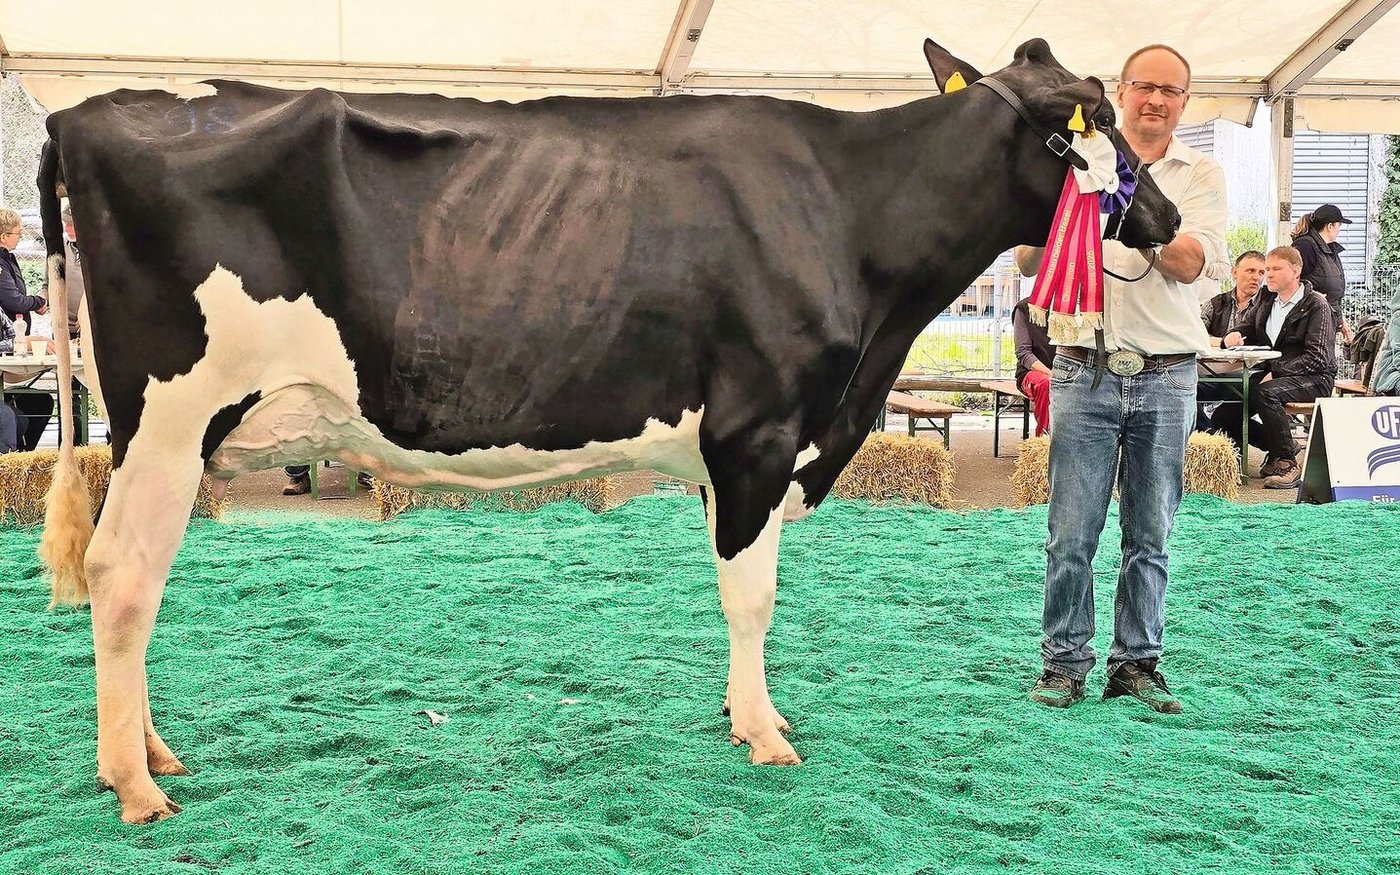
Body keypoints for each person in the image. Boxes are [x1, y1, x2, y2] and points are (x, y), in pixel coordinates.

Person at [1018, 44, 1228, 714]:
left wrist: (1127, 205)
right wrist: (1074, 194)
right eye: (1145, 86)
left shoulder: (1200, 173)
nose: (1156, 100)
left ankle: (1137, 662)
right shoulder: (1077, 162)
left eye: (1171, 91)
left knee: (1151, 533)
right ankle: (1064, 664)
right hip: (1083, 365)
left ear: (1184, 103)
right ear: (1121, 90)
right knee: (1070, 532)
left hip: (1167, 373)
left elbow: (1191, 263)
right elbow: (1026, 260)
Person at [1212, 246, 1335, 488]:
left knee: (1266, 392)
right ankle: (1281, 447)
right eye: (1267, 269)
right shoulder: (1267, 299)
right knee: (1224, 413)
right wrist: (1232, 335)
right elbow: (1247, 327)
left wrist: (1276, 370)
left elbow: (1317, 358)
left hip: (1315, 378)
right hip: (1275, 375)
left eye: (1275, 268)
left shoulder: (1316, 305)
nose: (1268, 274)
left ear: (1296, 271)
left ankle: (1288, 463)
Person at [0, 209, 55, 450]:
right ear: (3, 236)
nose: (20, 237)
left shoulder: (7, 259)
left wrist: (26, 341)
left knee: (41, 402)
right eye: (17, 233)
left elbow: (12, 333)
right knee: (9, 417)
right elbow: (14, 300)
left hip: (12, 347)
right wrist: (39, 301)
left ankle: (24, 458)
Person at [1195, 251, 1265, 430]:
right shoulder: (1216, 303)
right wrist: (1223, 342)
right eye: (1250, 270)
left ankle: (1215, 438)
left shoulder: (1267, 305)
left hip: (1252, 374)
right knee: (1186, 389)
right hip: (1214, 373)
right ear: (1234, 272)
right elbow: (1196, 333)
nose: (1256, 277)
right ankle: (1208, 436)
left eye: (1261, 272)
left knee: (1226, 416)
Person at [1291, 205, 1353, 344]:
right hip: (1308, 325)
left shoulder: (1329, 250)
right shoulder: (1305, 246)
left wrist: (1341, 320)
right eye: (1339, 225)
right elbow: (1292, 282)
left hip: (1326, 322)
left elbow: (1332, 294)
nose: (1339, 230)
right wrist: (1312, 294)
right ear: (1330, 226)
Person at [1012, 297, 1054, 436]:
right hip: (1032, 371)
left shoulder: (1079, 307)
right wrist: (1051, 374)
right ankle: (1044, 438)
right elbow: (1023, 353)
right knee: (1046, 383)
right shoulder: (1024, 308)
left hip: (1071, 370)